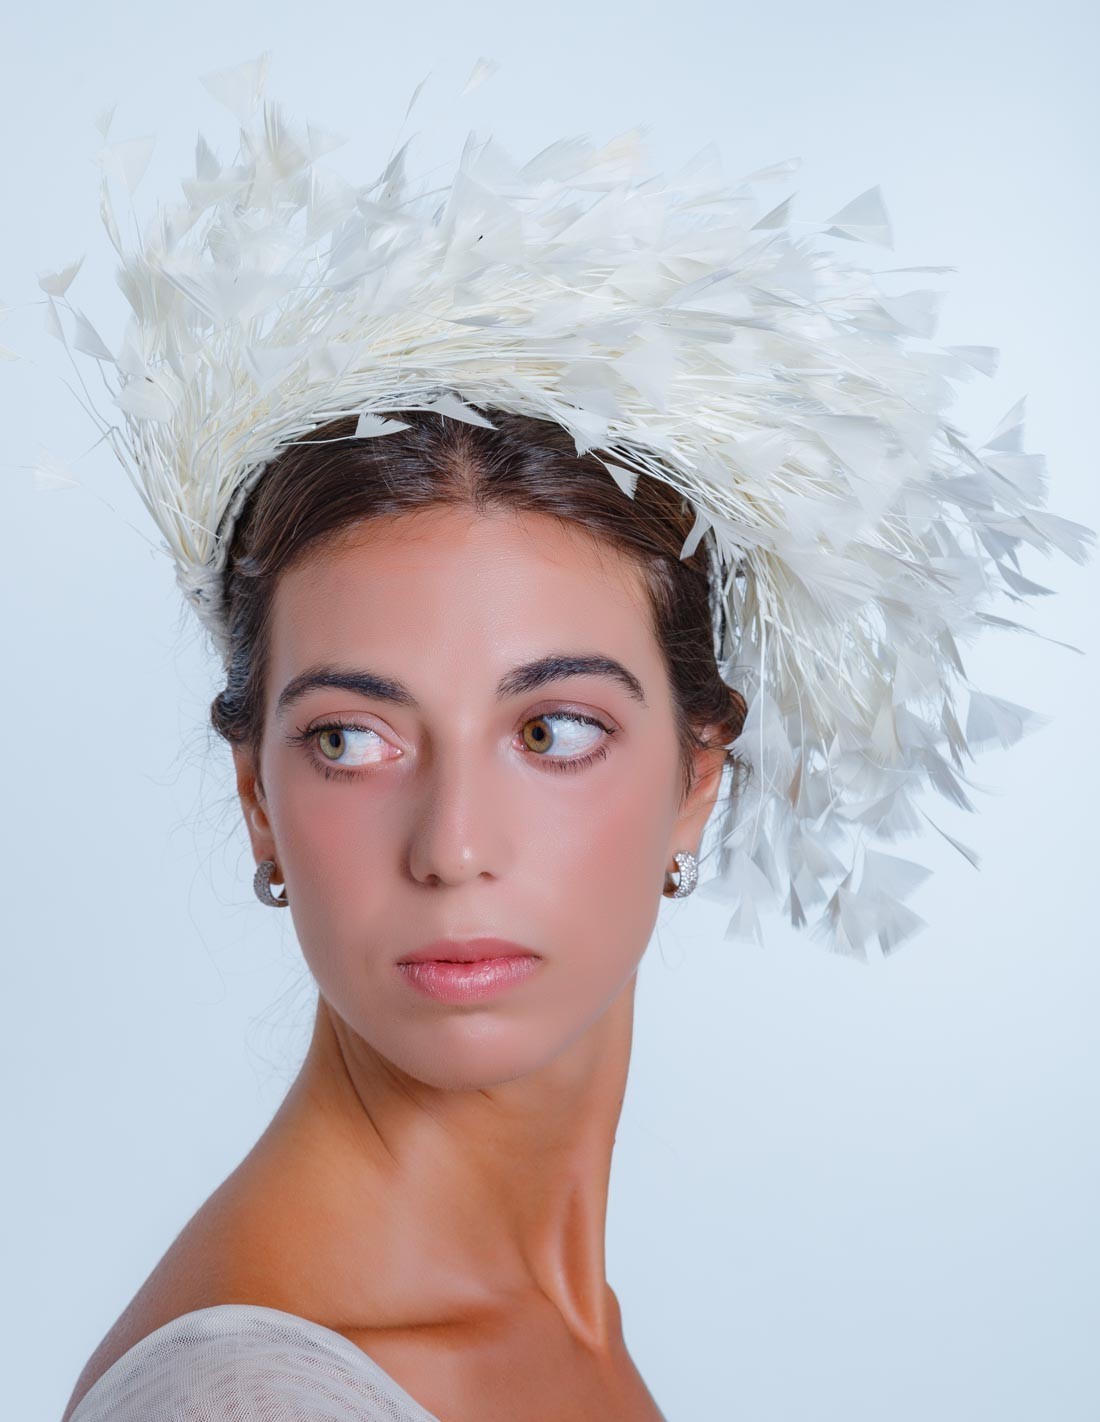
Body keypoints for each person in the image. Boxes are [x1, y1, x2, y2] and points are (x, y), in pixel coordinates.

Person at [23, 56, 1086, 1422]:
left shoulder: (550, 1321)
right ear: (257, 798)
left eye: (555, 727)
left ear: (699, 774)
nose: (454, 845)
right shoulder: (254, 1399)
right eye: (350, 739)